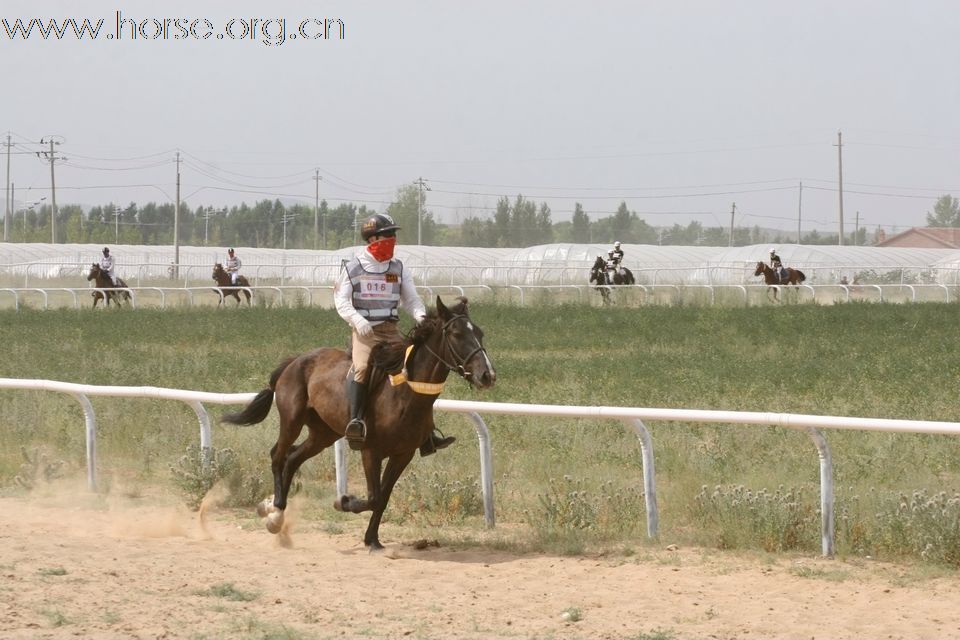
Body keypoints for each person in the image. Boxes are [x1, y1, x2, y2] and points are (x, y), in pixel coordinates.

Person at [334, 213, 455, 457]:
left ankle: (426, 431)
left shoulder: (398, 267)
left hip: (390, 330)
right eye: (388, 235)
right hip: (365, 332)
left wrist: (421, 317)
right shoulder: (353, 267)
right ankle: (356, 421)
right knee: (361, 368)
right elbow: (341, 300)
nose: (393, 239)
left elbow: (411, 299)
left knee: (415, 367)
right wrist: (357, 320)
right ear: (373, 238)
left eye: (393, 235)